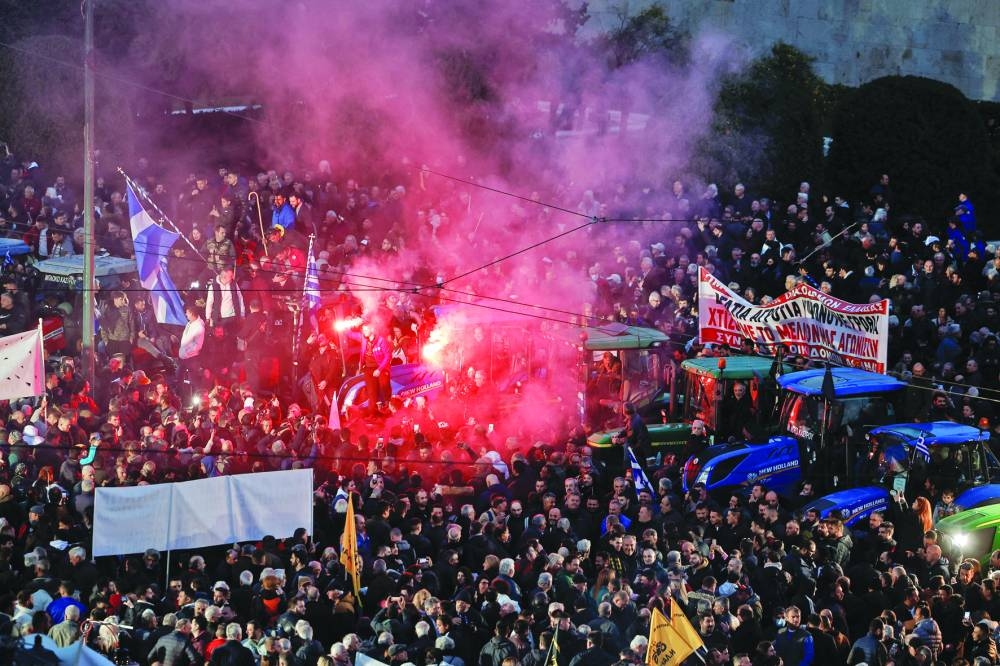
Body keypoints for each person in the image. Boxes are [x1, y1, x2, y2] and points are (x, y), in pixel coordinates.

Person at [178, 305, 206, 392]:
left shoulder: (199, 327)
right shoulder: (189, 323)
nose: (186, 314)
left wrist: (186, 352)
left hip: (192, 358)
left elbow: (198, 345)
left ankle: (199, 399)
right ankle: (181, 397)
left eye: (187, 313)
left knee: (194, 381)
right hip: (183, 357)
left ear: (192, 314)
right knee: (179, 378)